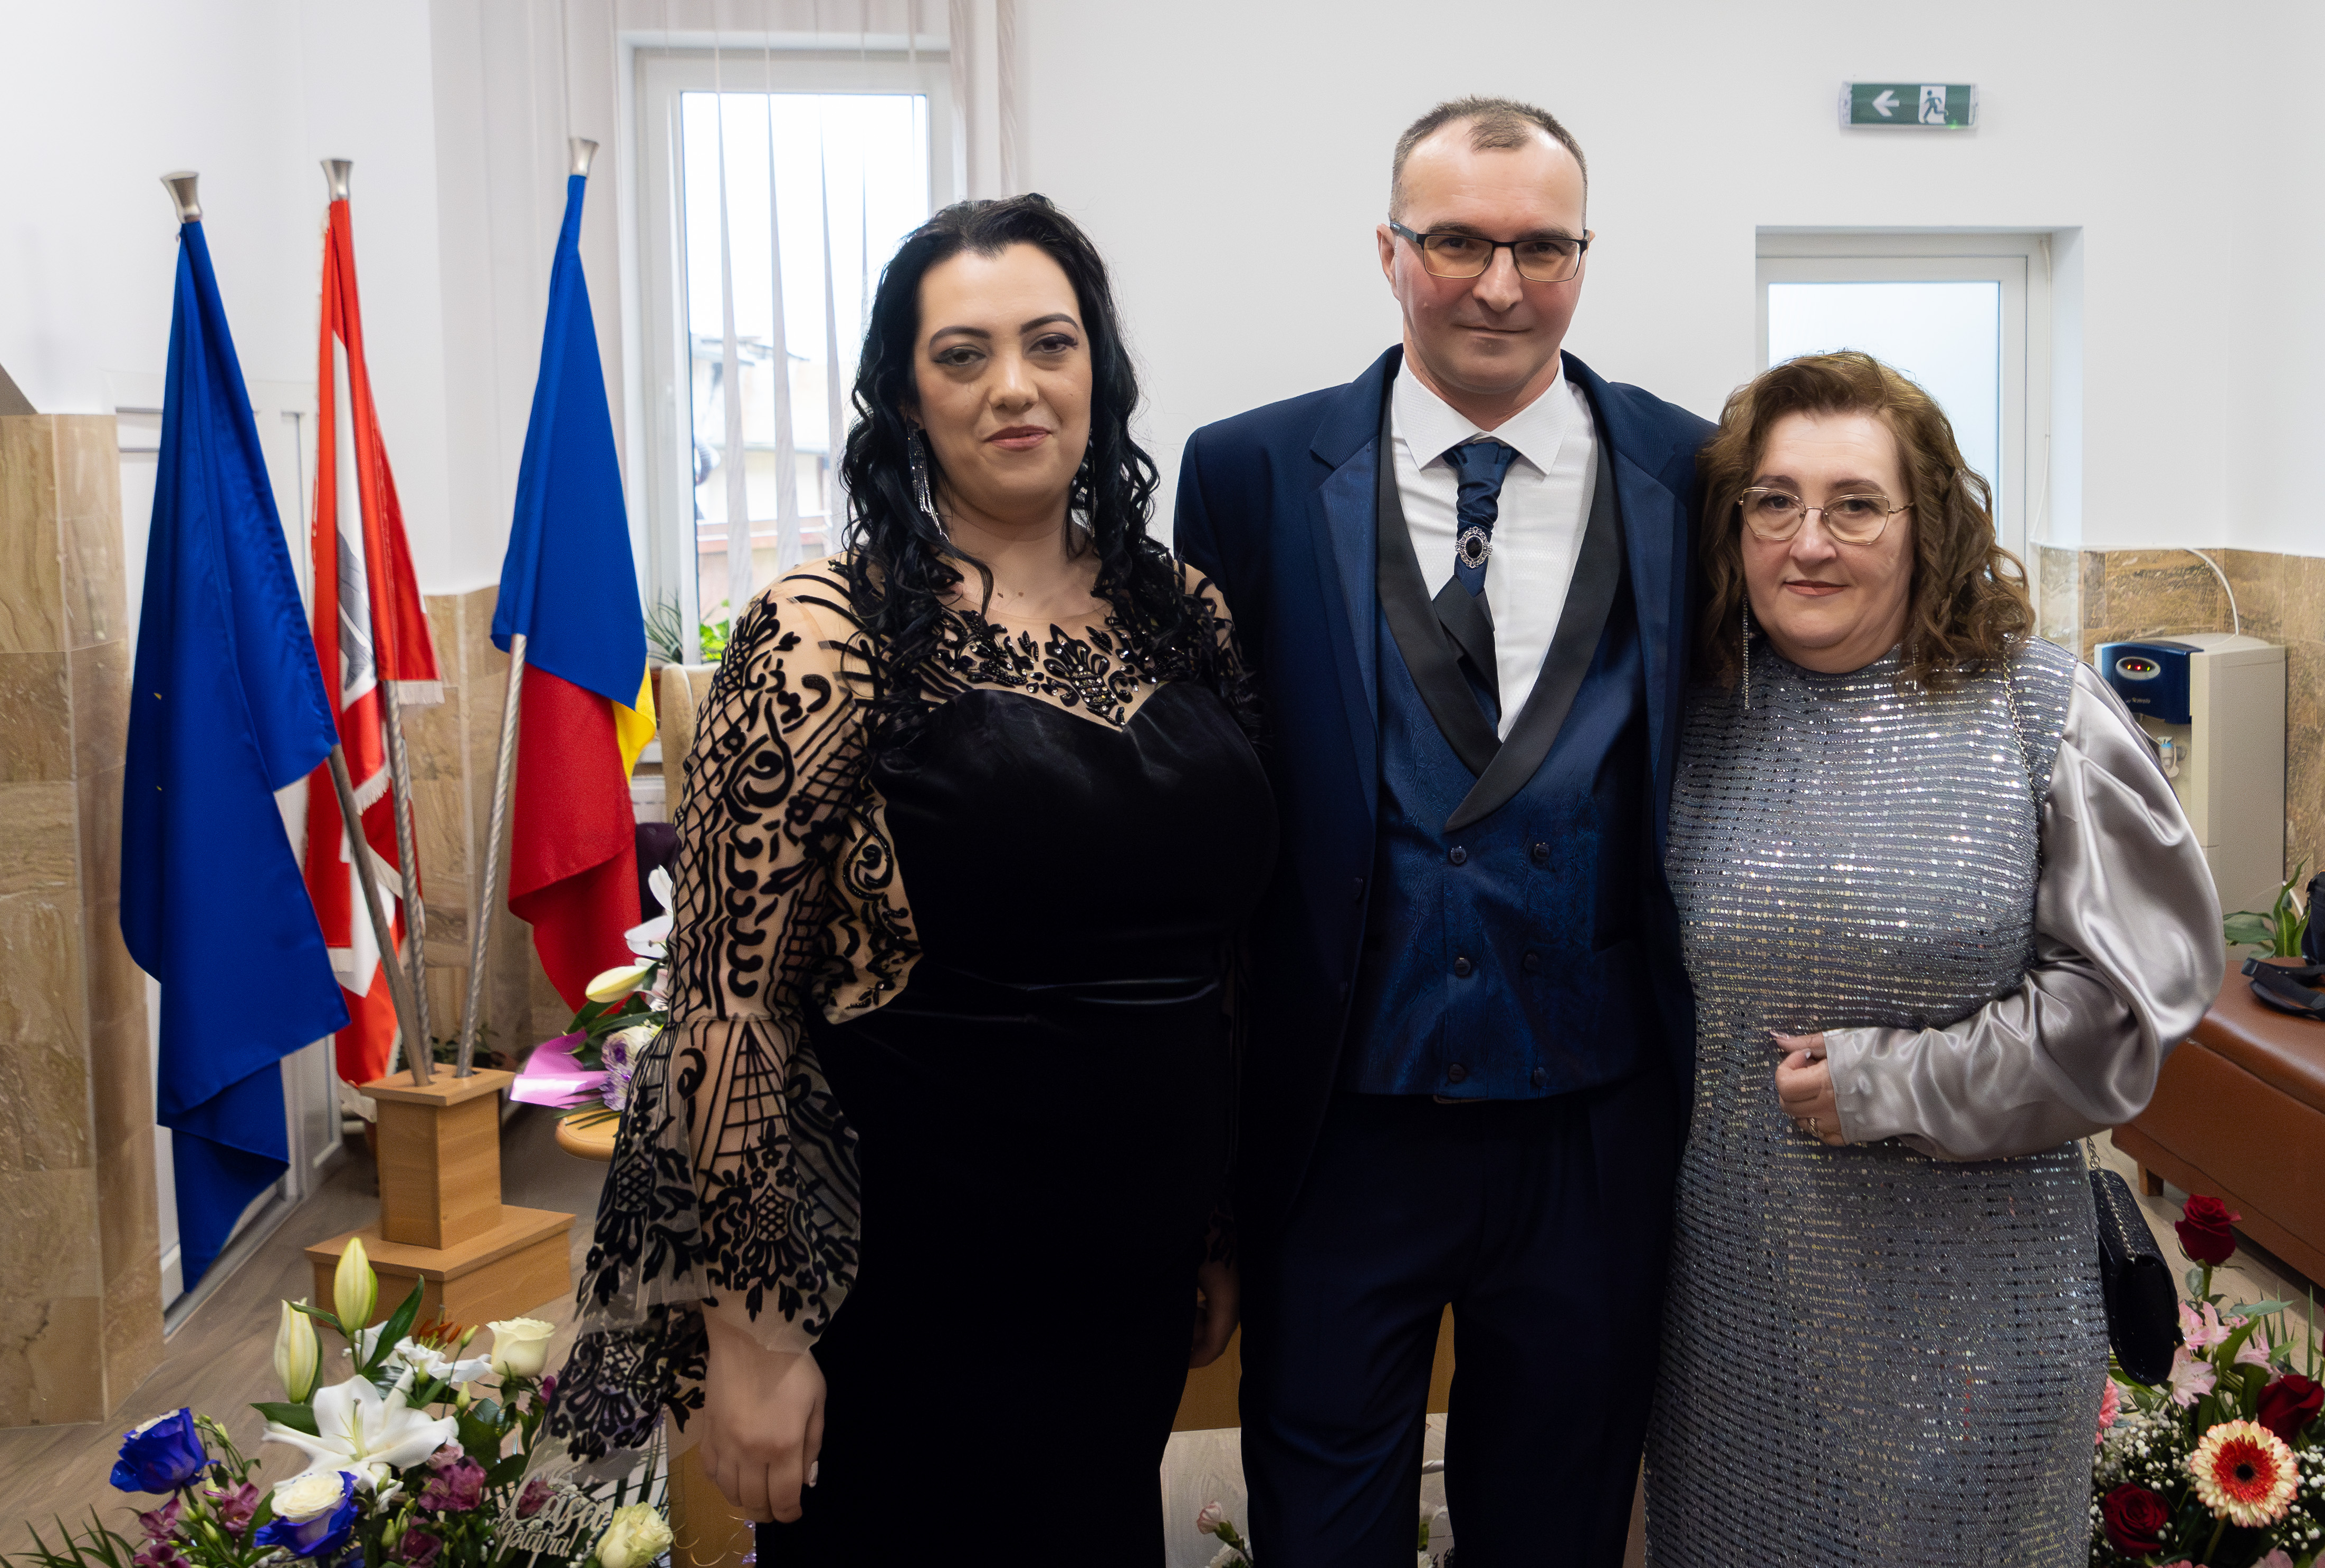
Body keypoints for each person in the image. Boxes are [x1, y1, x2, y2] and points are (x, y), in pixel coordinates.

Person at [555, 195, 1266, 1563]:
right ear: (902, 396)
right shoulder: (823, 636)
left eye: (1050, 343)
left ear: (1100, 371)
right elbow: (729, 1006)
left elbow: (1226, 953)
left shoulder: (1190, 617)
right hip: (908, 1275)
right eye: (962, 355)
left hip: (1133, 1262)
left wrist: (1216, 1220)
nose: (1015, 386)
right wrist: (753, 1334)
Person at [1173, 97, 1712, 1566]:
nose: (1500, 285)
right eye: (1459, 242)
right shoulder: (1249, 473)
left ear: (1584, 257)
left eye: (1543, 248)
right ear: (1388, 250)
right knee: (1321, 1525)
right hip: (1340, 1124)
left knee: (1558, 1524)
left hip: (1596, 1123)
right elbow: (1217, 801)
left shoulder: (1690, 471)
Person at [1641, 352, 2223, 1565]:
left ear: (1928, 525)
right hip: (1731, 1315)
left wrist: (1887, 1083)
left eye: (1856, 504)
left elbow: (2124, 1011)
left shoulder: (2037, 710)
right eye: (1774, 501)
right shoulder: (1688, 715)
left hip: (1979, 1324)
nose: (1810, 541)